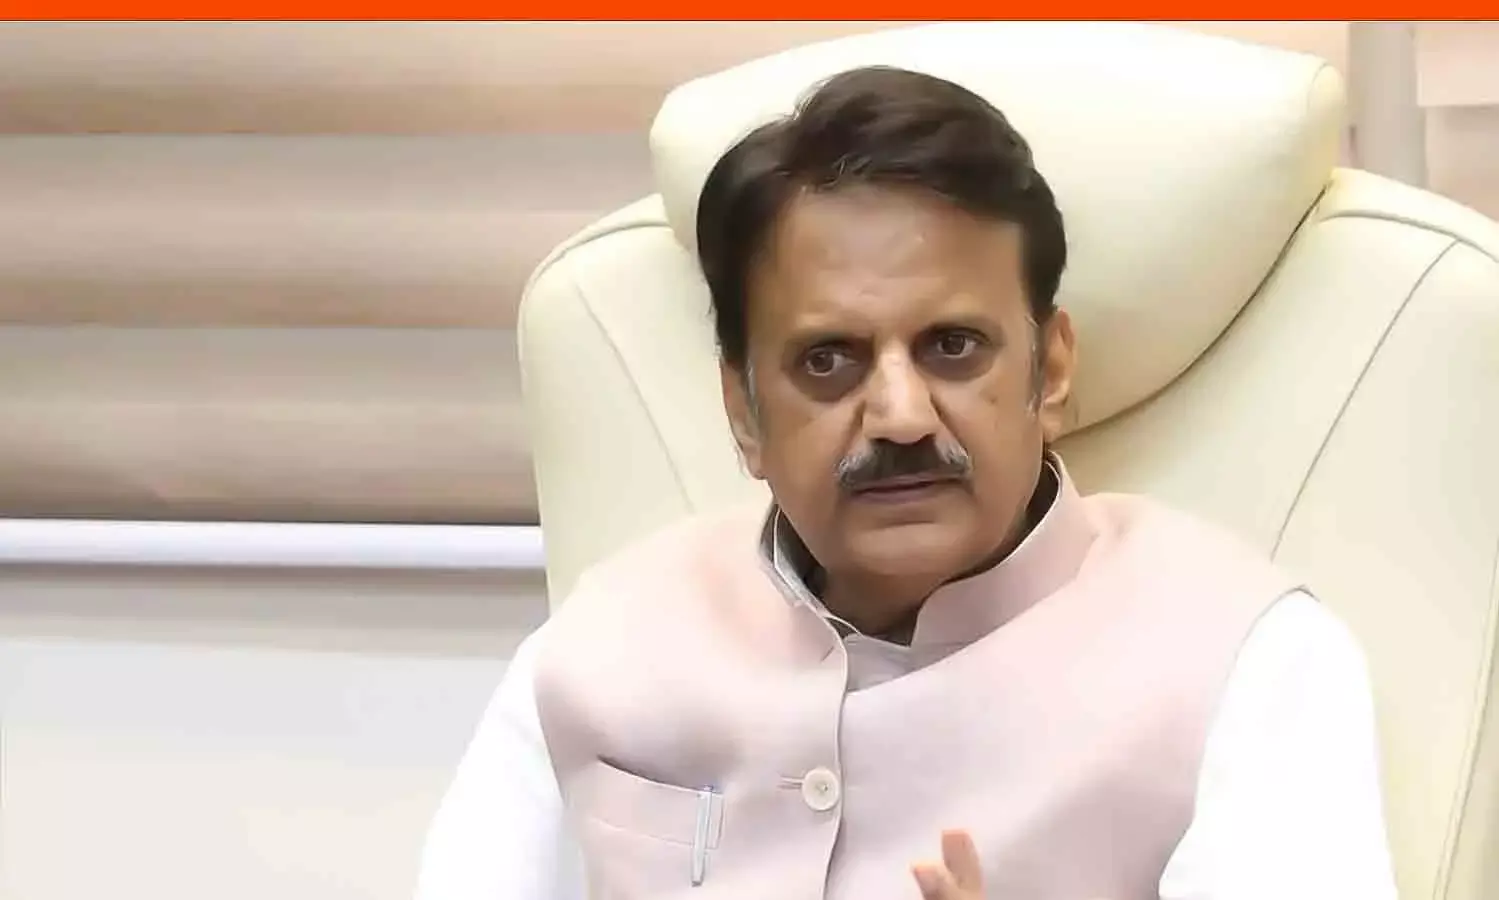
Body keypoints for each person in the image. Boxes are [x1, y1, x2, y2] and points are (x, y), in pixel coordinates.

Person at [414, 66, 1398, 900]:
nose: (899, 416)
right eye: (828, 360)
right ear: (743, 411)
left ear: (1050, 371)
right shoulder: (597, 649)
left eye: (952, 347)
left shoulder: (1248, 661)